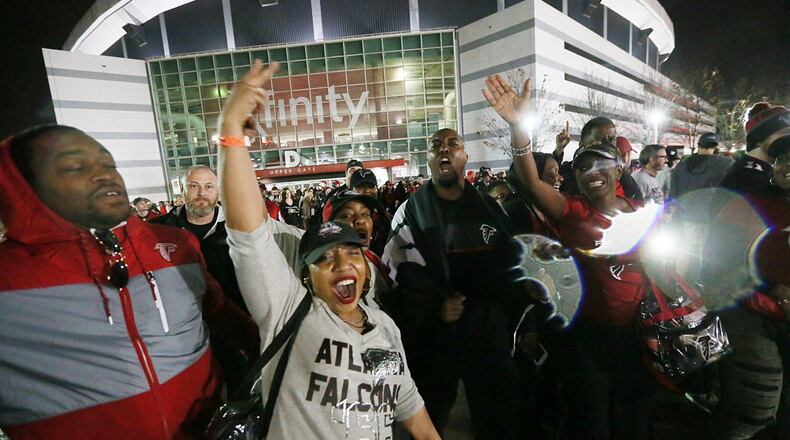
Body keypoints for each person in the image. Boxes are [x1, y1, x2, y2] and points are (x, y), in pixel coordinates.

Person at [216, 60, 439, 440]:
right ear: (307, 276)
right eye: (325, 257)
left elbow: (409, 410)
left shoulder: (384, 329)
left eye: (351, 253)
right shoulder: (288, 312)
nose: (342, 262)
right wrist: (231, 134)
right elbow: (248, 234)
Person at [0, 125, 258, 439]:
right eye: (74, 167)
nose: (104, 175)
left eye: (109, 164)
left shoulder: (176, 244)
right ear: (25, 187)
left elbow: (219, 312)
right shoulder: (8, 280)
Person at [484, 74, 655, 439]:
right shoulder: (573, 211)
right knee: (590, 423)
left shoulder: (644, 211)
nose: (590, 173)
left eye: (600, 164)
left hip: (636, 335)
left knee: (634, 420)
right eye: (581, 167)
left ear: (619, 168)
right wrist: (518, 127)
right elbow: (531, 181)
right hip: (587, 339)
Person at [383, 126, 531, 439]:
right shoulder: (409, 213)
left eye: (453, 144)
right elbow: (398, 270)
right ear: (429, 159)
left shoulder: (489, 209)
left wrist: (517, 318)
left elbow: (512, 263)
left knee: (497, 420)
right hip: (434, 342)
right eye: (436, 145)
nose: (444, 149)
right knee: (431, 420)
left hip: (488, 338)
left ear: (465, 157)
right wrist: (435, 303)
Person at [322, 190, 393, 311]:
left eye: (365, 214)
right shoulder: (325, 271)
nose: (360, 220)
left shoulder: (372, 259)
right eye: (346, 215)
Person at [553, 120, 644, 201]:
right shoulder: (566, 174)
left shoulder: (622, 175)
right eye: (601, 140)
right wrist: (559, 151)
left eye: (612, 139)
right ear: (582, 144)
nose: (608, 144)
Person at [504, 152, 563, 237]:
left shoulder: (548, 208)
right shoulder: (515, 213)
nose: (561, 178)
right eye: (555, 171)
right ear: (532, 175)